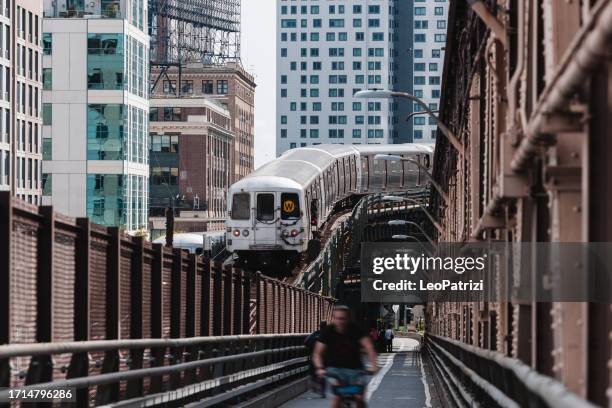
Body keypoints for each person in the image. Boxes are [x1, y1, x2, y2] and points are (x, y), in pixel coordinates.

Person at [313, 306, 378, 408]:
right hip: (335, 370)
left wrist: (374, 365)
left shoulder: (356, 329)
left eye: (343, 318)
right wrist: (319, 368)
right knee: (337, 398)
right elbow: (317, 353)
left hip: (355, 370)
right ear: (333, 318)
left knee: (359, 398)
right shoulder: (328, 332)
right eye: (337, 318)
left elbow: (369, 348)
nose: (340, 321)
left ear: (348, 319)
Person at [305, 321, 327, 396]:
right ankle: (323, 391)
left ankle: (314, 385)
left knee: (312, 372)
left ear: (319, 326)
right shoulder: (328, 335)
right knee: (323, 373)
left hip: (314, 357)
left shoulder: (314, 334)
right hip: (324, 358)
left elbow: (306, 342)